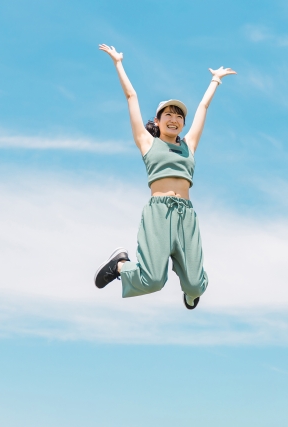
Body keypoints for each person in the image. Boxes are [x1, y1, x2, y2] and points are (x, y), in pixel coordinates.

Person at [94, 43, 236, 310]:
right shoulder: (147, 143)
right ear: (157, 121)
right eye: (168, 114)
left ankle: (191, 291)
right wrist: (118, 63)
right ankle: (120, 265)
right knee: (153, 280)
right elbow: (131, 97)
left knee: (195, 285)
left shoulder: (189, 145)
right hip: (159, 212)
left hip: (186, 215)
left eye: (179, 116)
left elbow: (203, 107)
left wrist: (215, 80)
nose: (174, 118)